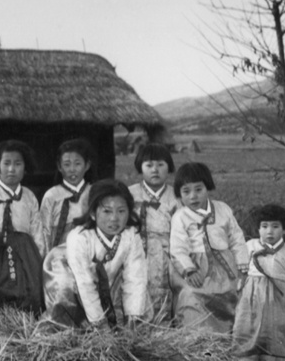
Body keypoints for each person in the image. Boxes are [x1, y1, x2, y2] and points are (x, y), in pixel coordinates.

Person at [169, 162, 248, 334]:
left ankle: (232, 335)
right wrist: (189, 270)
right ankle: (198, 337)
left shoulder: (223, 209)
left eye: (199, 189)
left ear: (208, 187)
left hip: (225, 267)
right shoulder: (180, 217)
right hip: (197, 268)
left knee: (237, 293)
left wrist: (242, 262)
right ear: (179, 194)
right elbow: (177, 248)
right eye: (186, 192)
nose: (193, 196)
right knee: (191, 295)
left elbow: (236, 238)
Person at [231, 204, 285, 361]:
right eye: (264, 226)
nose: (269, 231)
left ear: (284, 230)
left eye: (275, 226)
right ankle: (246, 360)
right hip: (251, 297)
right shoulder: (250, 246)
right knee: (248, 326)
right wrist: (236, 287)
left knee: (277, 330)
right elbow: (239, 269)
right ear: (258, 229)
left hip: (279, 298)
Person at [0, 140, 46, 314]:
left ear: (25, 167)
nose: (11, 169)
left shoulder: (29, 196)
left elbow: (37, 230)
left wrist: (39, 258)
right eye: (6, 163)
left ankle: (24, 323)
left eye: (18, 164)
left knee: (29, 291)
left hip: (25, 252)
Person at [64, 180, 149, 329]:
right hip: (74, 283)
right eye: (107, 211)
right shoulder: (79, 238)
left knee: (141, 302)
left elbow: (135, 278)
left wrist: (132, 322)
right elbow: (84, 283)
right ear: (92, 213)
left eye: (121, 211)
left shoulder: (130, 235)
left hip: (106, 285)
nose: (114, 218)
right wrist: (100, 324)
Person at [40, 138, 95, 325]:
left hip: (88, 255)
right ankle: (60, 330)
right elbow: (45, 231)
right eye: (67, 164)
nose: (72, 169)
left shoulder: (94, 192)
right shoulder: (51, 196)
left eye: (77, 164)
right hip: (59, 257)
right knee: (63, 288)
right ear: (59, 166)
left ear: (87, 165)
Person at [128, 142, 180, 324]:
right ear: (140, 167)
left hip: (167, 251)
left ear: (169, 167)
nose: (155, 170)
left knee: (165, 291)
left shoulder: (177, 197)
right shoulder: (130, 194)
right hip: (137, 250)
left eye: (160, 165)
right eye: (149, 165)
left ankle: (164, 329)